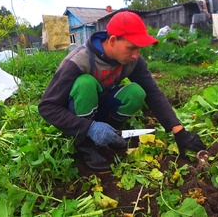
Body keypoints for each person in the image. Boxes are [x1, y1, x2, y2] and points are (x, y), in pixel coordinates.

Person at [38, 11, 206, 172]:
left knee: (136, 92)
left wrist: (179, 131)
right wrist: (89, 128)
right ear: (112, 41)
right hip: (77, 118)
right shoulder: (78, 60)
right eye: (131, 48)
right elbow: (47, 107)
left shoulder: (132, 61)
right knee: (85, 83)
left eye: (138, 49)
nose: (135, 55)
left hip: (100, 110)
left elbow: (153, 93)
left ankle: (111, 136)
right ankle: (85, 146)